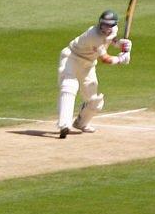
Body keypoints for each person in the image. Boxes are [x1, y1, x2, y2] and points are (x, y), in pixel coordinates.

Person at [57, 10, 133, 138]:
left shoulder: (113, 30)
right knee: (69, 86)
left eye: (109, 25)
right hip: (72, 58)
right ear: (100, 23)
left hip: (88, 64)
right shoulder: (93, 35)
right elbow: (105, 59)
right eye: (104, 24)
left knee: (95, 101)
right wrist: (121, 59)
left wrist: (120, 44)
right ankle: (64, 125)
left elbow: (110, 40)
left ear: (114, 25)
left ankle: (81, 123)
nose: (106, 28)